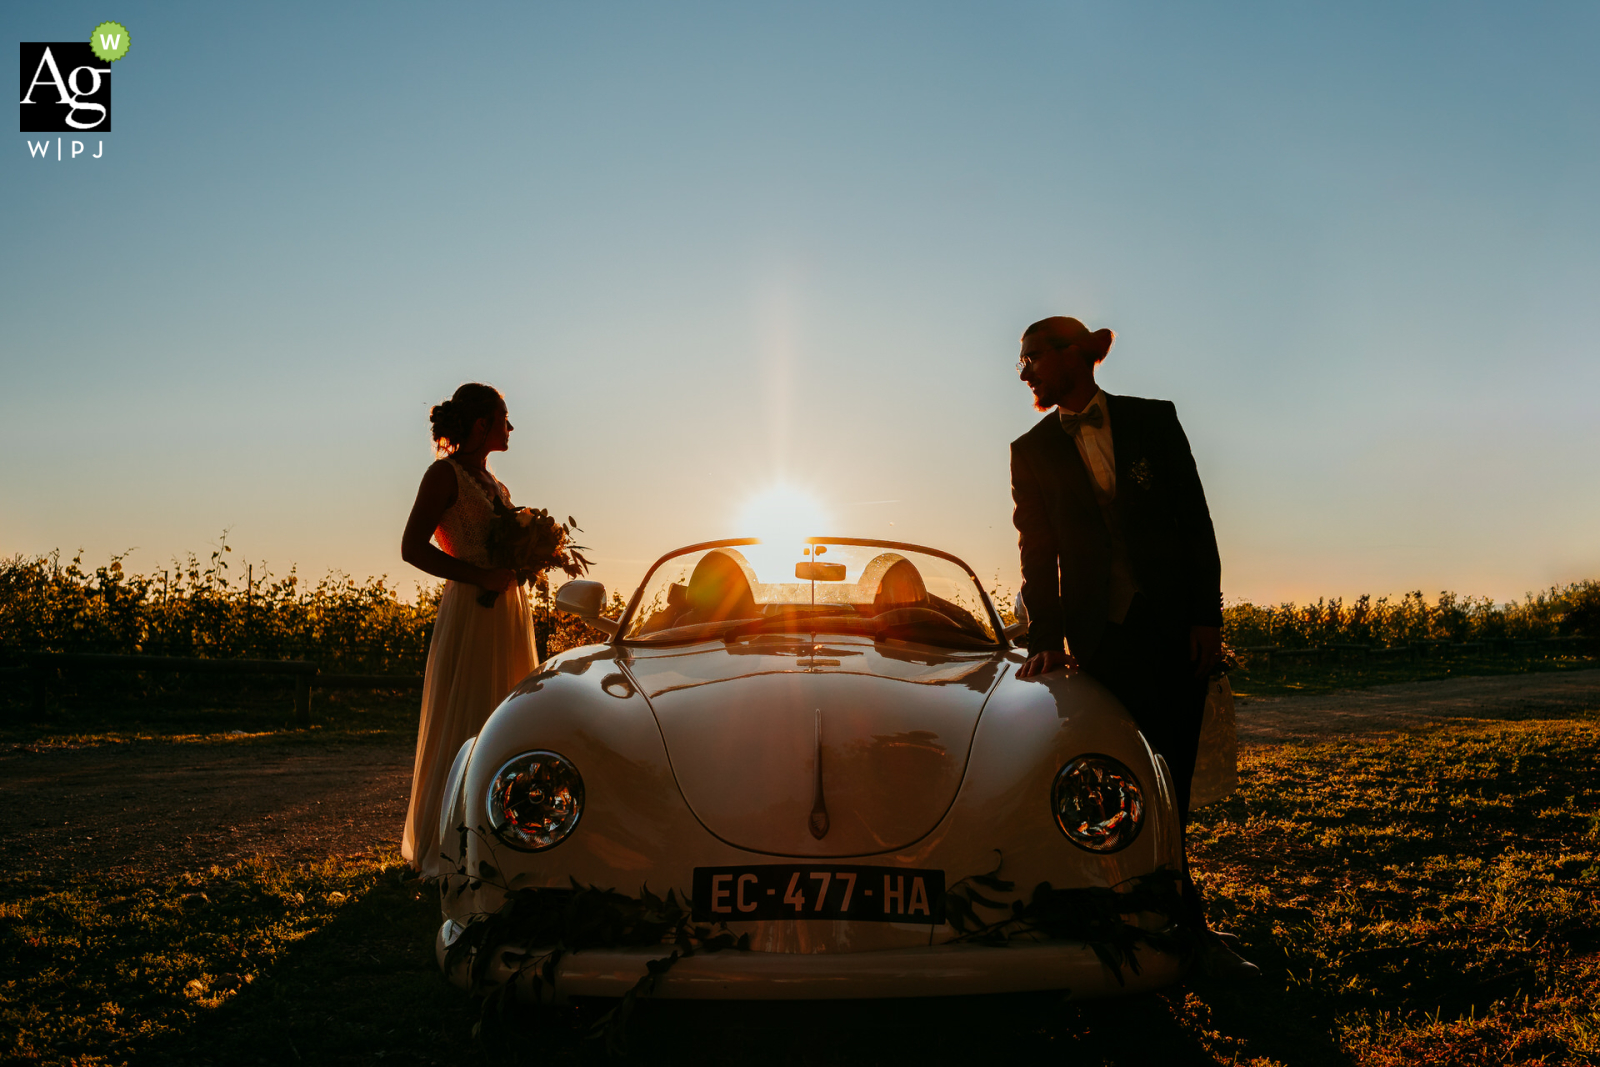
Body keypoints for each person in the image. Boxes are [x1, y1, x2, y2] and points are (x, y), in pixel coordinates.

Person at [1008, 315, 1258, 980]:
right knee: (1109, 785)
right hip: (1101, 644)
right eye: (1021, 361)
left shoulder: (1154, 419)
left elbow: (1194, 519)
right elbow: (1039, 557)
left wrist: (1208, 617)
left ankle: (1187, 928)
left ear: (1073, 355)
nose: (1023, 370)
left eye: (1032, 356)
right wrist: (1047, 642)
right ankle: (1110, 921)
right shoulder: (1029, 450)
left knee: (1170, 782)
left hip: (1175, 629)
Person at [399, 382, 539, 878]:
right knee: (470, 713)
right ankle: (451, 840)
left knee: (506, 713)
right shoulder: (444, 475)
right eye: (505, 418)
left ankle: (502, 834)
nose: (511, 427)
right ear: (482, 425)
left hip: (506, 610)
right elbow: (412, 548)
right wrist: (479, 575)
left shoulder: (494, 483)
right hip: (472, 608)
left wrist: (530, 557)